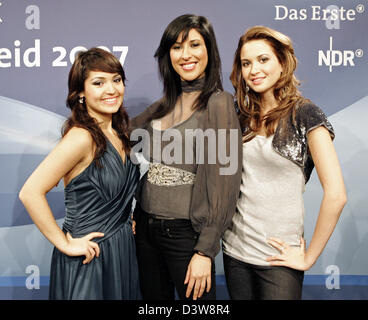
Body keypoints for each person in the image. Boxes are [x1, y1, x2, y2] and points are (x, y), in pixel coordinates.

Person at [222, 26, 347, 300]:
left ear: (282, 63)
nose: (254, 69)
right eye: (246, 63)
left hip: (279, 259)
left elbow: (336, 195)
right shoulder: (237, 115)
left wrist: (308, 256)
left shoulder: (305, 114)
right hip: (234, 253)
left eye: (263, 59)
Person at [130, 14, 242, 300]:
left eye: (194, 44)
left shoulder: (219, 103)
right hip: (144, 228)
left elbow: (225, 182)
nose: (186, 55)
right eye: (177, 47)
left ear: (209, 50)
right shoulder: (162, 105)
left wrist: (205, 250)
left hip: (185, 235)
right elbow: (121, 141)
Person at [19, 48, 141, 300]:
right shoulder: (81, 137)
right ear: (81, 93)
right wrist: (64, 243)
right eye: (99, 83)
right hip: (91, 258)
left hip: (121, 251)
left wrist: (123, 218)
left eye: (116, 80)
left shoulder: (120, 134)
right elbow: (30, 192)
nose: (111, 90)